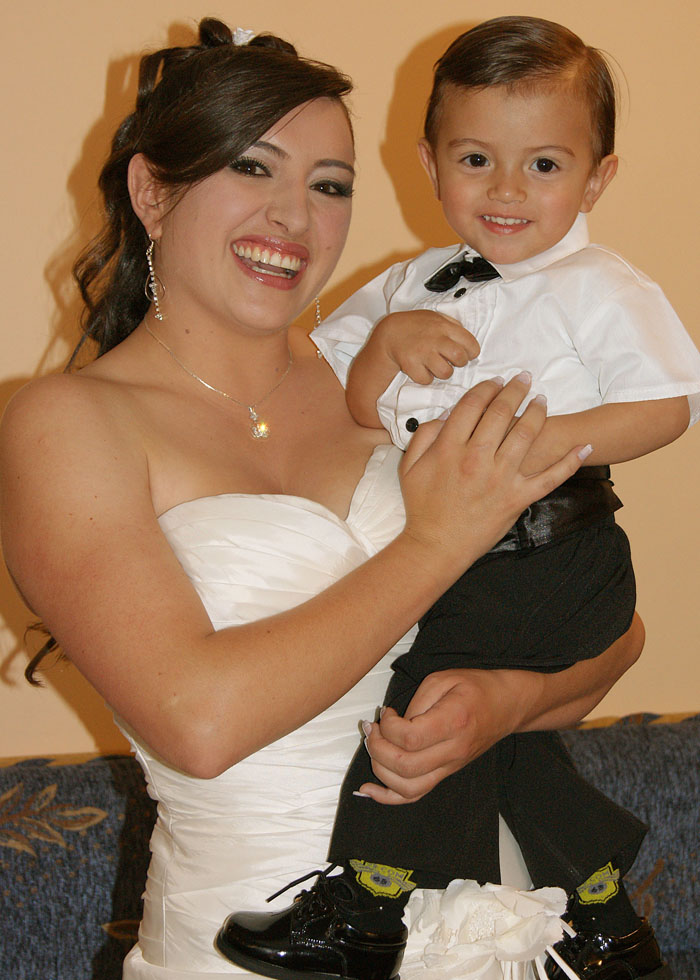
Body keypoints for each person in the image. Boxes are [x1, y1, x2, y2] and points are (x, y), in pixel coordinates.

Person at [0, 18, 643, 980]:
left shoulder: (389, 379)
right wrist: (436, 546)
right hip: (246, 941)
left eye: (330, 185)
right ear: (152, 190)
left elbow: (611, 631)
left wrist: (506, 702)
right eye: (252, 169)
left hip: (489, 921)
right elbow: (199, 723)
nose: (294, 218)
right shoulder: (65, 423)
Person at [225, 16, 700, 980]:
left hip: (550, 545)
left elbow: (667, 406)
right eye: (477, 159)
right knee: (488, 735)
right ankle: (603, 915)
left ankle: (369, 907)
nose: (507, 189)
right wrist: (385, 348)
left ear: (597, 179)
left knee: (422, 699)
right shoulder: (407, 284)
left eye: (544, 165)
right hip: (463, 551)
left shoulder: (598, 286)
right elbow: (353, 405)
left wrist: (551, 443)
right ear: (430, 164)